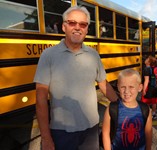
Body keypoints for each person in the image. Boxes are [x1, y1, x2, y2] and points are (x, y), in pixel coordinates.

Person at [34, 6, 118, 150]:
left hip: (91, 128)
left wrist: (123, 106)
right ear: (63, 26)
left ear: (86, 29)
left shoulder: (93, 55)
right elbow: (40, 99)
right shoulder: (48, 55)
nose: (77, 27)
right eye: (72, 23)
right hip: (62, 131)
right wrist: (46, 138)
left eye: (83, 24)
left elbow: (103, 84)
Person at [102, 69, 152, 150]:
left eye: (131, 87)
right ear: (118, 87)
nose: (126, 91)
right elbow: (105, 133)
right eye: (123, 87)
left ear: (140, 87)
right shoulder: (112, 108)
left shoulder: (145, 109)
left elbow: (148, 134)